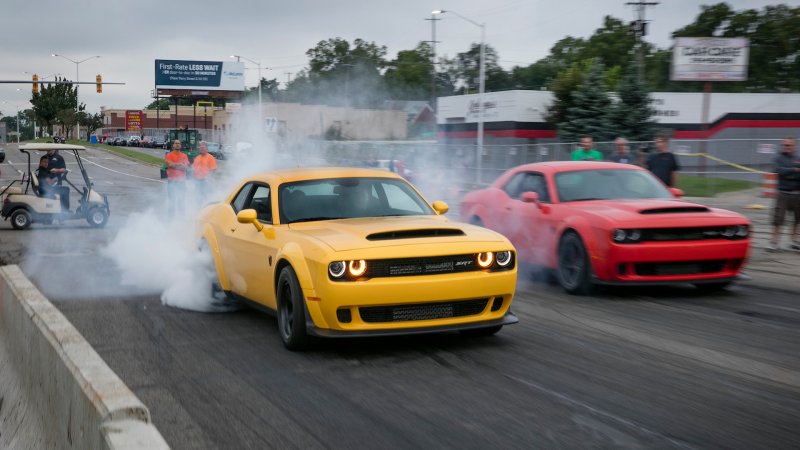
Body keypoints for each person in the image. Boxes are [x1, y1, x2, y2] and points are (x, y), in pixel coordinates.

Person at [768, 137, 800, 251]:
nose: (786, 147)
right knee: (778, 219)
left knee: (797, 219)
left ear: (794, 146)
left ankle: (795, 241)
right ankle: (774, 242)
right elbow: (778, 171)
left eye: (788, 145)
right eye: (784, 145)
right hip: (782, 193)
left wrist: (788, 171)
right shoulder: (778, 158)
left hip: (797, 193)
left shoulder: (798, 158)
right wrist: (794, 170)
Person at [165, 139, 190, 218]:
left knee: (181, 201)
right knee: (171, 201)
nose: (177, 144)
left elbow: (185, 167)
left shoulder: (184, 156)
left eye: (179, 143)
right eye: (176, 143)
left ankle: (181, 218)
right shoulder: (169, 155)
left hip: (181, 182)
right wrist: (180, 165)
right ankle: (171, 219)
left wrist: (174, 165)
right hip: (172, 182)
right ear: (173, 145)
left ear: (180, 145)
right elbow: (169, 165)